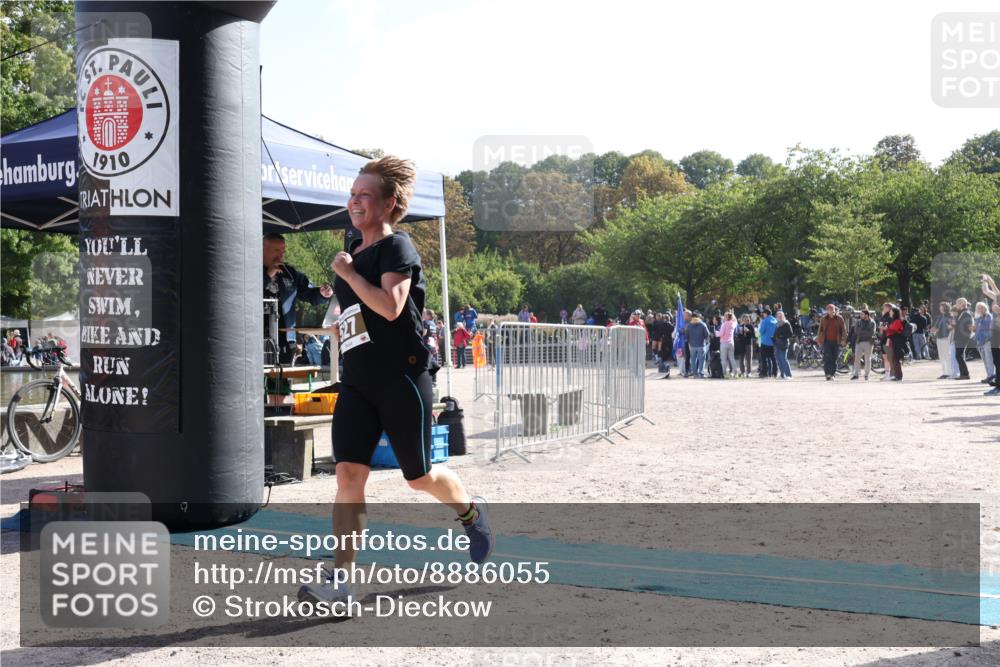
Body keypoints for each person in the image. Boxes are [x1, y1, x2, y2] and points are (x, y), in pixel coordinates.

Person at [298, 156, 493, 610]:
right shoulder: (354, 249)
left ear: (389, 204)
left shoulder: (397, 248)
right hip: (358, 381)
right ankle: (340, 584)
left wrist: (346, 274)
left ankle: (471, 511)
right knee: (348, 474)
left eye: (364, 195)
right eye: (352, 195)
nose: (354, 202)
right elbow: (354, 316)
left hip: (402, 378)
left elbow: (389, 307)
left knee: (419, 477)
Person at [263, 232, 333, 365]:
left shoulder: (289, 273)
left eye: (283, 251)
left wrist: (322, 293)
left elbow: (309, 294)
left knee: (283, 380)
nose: (281, 255)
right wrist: (267, 276)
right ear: (262, 248)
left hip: (287, 338)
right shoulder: (250, 269)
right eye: (276, 250)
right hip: (258, 337)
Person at [816, 304, 846, 381]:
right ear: (827, 311)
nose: (831, 311)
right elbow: (820, 330)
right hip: (826, 341)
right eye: (829, 310)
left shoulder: (839, 318)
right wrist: (819, 340)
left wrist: (843, 340)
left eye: (832, 309)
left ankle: (832, 374)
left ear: (834, 310)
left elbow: (843, 330)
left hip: (836, 341)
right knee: (827, 358)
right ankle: (827, 374)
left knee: (834, 358)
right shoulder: (823, 319)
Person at [930, 301, 955, 379]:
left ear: (945, 308)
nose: (940, 308)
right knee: (942, 356)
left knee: (947, 355)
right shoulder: (940, 317)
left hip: (946, 338)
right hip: (939, 337)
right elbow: (936, 327)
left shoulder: (950, 316)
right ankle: (944, 372)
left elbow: (951, 327)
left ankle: (950, 372)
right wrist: (933, 330)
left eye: (941, 306)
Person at [851, 309, 876, 380]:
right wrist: (865, 331)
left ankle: (866, 375)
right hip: (859, 342)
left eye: (862, 314)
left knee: (867, 359)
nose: (860, 315)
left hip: (868, 342)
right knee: (857, 359)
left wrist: (861, 332)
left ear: (867, 315)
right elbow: (856, 331)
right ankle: (856, 374)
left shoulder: (872, 322)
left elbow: (871, 333)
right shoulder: (858, 322)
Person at [953, 298, 974, 380]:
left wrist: (956, 324)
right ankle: (964, 374)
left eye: (957, 303)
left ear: (962, 303)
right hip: (960, 337)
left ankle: (965, 374)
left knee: (958, 355)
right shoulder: (962, 313)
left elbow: (967, 326)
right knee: (959, 355)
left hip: (962, 337)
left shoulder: (966, 313)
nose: (956, 305)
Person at [884, 306, 907, 381]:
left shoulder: (897, 320)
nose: (889, 312)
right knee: (894, 359)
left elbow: (893, 330)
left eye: (891, 311)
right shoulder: (894, 320)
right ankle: (897, 375)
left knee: (896, 359)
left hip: (897, 342)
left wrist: (887, 328)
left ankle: (898, 376)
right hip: (894, 341)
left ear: (894, 313)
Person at [974, 301, 994, 383]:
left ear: (985, 308)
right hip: (980, 341)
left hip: (987, 341)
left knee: (989, 359)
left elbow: (989, 329)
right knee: (985, 359)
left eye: (982, 308)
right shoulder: (978, 319)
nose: (980, 309)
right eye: (978, 308)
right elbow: (977, 330)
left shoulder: (989, 316)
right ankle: (989, 375)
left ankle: (992, 376)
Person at [685, 312, 710, 378]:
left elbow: (686, 336)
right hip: (701, 344)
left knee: (693, 360)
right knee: (702, 359)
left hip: (692, 345)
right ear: (698, 317)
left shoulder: (689, 325)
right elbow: (707, 334)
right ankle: (701, 373)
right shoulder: (703, 324)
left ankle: (694, 373)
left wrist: (689, 341)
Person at [757, 308, 778, 378]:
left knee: (764, 358)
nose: (763, 315)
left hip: (765, 341)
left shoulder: (765, 321)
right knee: (773, 358)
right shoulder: (775, 320)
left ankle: (764, 373)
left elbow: (761, 331)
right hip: (773, 342)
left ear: (766, 313)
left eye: (763, 314)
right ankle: (775, 372)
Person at [773, 310, 794, 379]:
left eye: (780, 316)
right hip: (777, 344)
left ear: (783, 316)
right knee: (778, 359)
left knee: (783, 359)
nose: (779, 317)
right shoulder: (777, 324)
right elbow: (775, 334)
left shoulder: (786, 323)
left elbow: (790, 334)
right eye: (778, 316)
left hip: (784, 343)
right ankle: (782, 374)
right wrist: (773, 338)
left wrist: (782, 336)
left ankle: (788, 375)